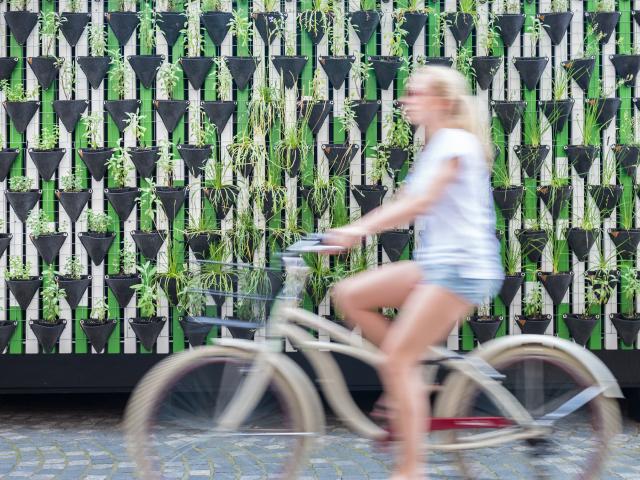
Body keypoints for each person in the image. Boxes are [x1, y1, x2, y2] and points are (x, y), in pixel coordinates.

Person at [325, 65, 504, 480]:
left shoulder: (456, 143)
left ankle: (411, 470)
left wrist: (359, 230)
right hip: (435, 265)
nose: (406, 100)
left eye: (416, 93)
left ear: (442, 101)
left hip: (461, 268)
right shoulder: (435, 143)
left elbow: (420, 202)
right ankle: (412, 380)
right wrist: (345, 230)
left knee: (399, 361)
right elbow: (406, 199)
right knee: (350, 294)